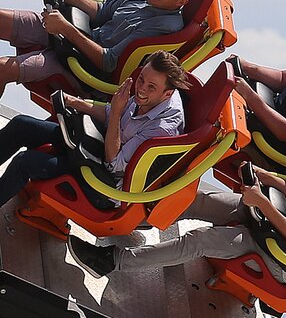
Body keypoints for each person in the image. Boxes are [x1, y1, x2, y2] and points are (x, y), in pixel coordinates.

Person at [67, 138, 286, 284]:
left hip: (283, 254)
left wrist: (262, 203)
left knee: (198, 240)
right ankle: (117, 219)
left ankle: (109, 262)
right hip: (270, 218)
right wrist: (268, 177)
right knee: (195, 200)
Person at [0, 50, 188, 209]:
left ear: (167, 94)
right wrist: (72, 101)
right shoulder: (153, 93)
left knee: (25, 162)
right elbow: (111, 112)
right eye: (141, 80)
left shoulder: (162, 129)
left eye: (151, 87)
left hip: (103, 183)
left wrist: (115, 112)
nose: (141, 89)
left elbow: (114, 163)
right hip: (98, 147)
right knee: (21, 125)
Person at [0, 0, 199, 94]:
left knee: (3, 68)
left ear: (181, 2)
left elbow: (108, 61)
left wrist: (66, 29)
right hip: (77, 34)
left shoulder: (164, 27)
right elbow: (105, 10)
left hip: (84, 66)